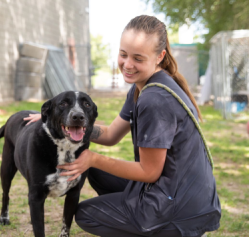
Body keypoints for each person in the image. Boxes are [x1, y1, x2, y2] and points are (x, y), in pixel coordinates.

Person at [24, 15, 220, 237]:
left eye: (138, 58)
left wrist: (94, 158)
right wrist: (56, 123)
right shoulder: (142, 86)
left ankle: (165, 230)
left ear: (159, 56)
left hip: (182, 206)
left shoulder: (154, 100)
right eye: (123, 54)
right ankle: (145, 217)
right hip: (183, 193)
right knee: (95, 171)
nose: (127, 65)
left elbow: (149, 172)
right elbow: (110, 135)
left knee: (87, 214)